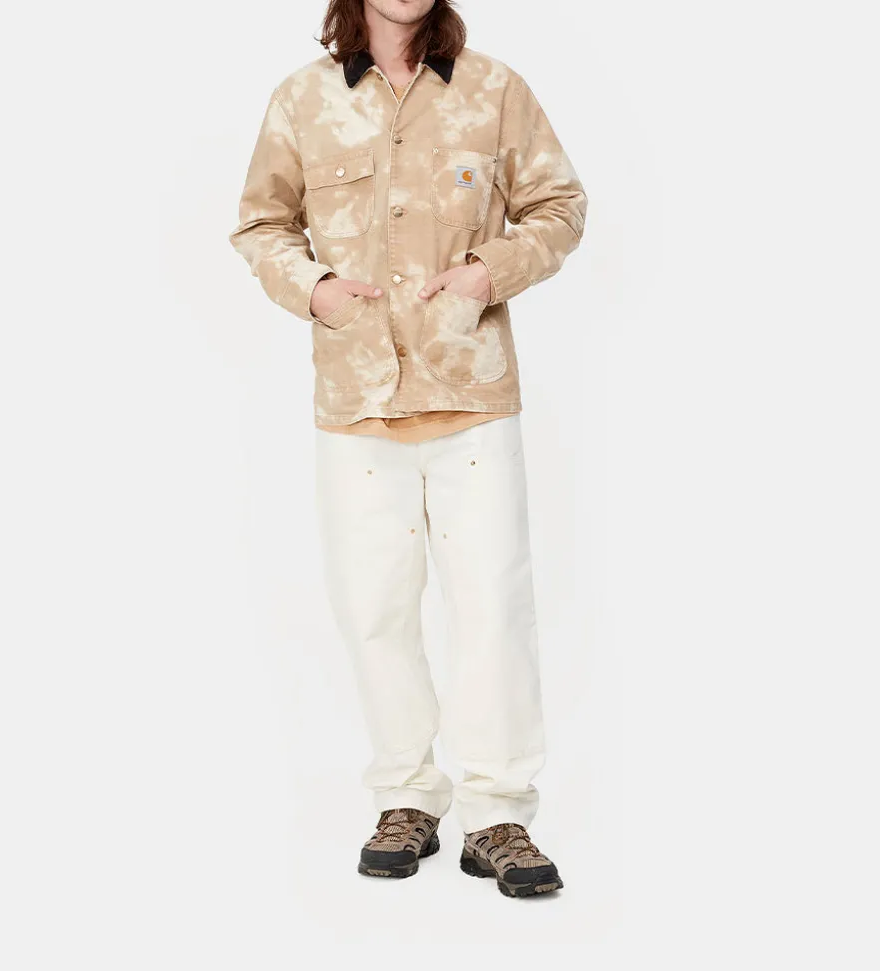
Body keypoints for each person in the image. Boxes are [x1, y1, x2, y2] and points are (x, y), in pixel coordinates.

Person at [229, 0, 586, 898]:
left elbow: (559, 205)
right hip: (356, 401)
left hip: (471, 395)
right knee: (374, 611)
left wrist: (489, 271)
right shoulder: (302, 100)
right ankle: (407, 796)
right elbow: (262, 223)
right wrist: (313, 287)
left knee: (493, 609)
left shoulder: (494, 90)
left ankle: (497, 812)